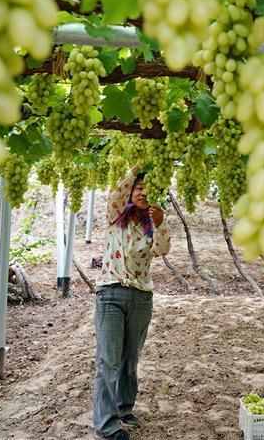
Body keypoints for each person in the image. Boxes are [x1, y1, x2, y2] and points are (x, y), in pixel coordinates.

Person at [93, 166, 172, 440]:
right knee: (108, 361)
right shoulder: (116, 215)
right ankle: (106, 425)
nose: (143, 193)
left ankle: (124, 409)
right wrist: (141, 163)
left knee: (129, 360)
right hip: (111, 295)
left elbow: (162, 250)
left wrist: (161, 224)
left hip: (140, 298)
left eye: (149, 191)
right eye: (139, 188)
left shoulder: (152, 226)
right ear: (130, 192)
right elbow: (117, 189)